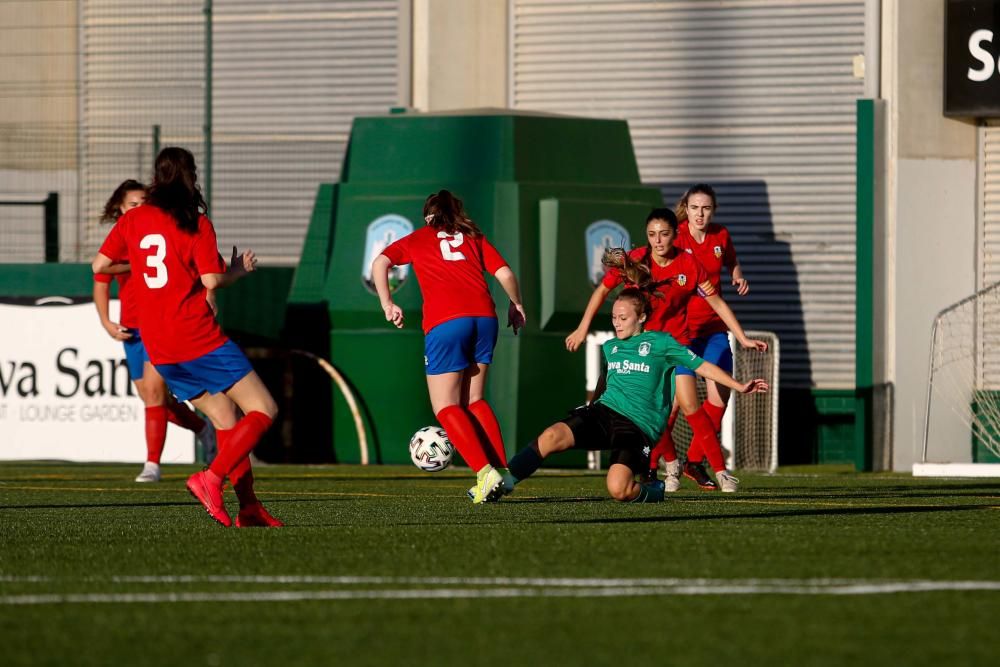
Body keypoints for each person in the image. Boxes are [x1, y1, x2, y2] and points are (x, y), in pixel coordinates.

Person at [93, 147, 280, 528]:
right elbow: (213, 281)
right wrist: (238, 272)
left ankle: (248, 506)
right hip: (196, 334)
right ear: (190, 177)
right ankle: (210, 478)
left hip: (158, 345)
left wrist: (140, 263)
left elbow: (100, 264)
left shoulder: (134, 219)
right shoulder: (194, 222)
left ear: (157, 178)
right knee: (264, 409)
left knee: (226, 418)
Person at [565, 208, 766, 493]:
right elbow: (601, 291)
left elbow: (717, 302)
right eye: (652, 235)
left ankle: (720, 472)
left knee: (689, 404)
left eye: (664, 234)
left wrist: (742, 338)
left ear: (675, 234)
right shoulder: (635, 260)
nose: (658, 240)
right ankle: (671, 463)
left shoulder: (688, 263)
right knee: (652, 412)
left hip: (675, 344)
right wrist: (582, 328)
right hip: (641, 348)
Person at [508, 288, 767, 501]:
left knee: (619, 489)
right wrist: (591, 406)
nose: (617, 324)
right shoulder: (611, 347)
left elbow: (702, 365)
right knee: (551, 436)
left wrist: (739, 385)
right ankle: (504, 482)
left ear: (641, 317)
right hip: (604, 413)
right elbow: (605, 379)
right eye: (614, 318)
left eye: (623, 318)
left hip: (637, 426)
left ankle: (654, 491)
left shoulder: (662, 343)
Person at [371, 190, 526, 504]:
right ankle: (503, 473)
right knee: (475, 399)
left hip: (446, 321)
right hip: (485, 318)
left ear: (428, 216)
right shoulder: (473, 237)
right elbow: (506, 273)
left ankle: (485, 474)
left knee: (446, 406)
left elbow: (380, 262)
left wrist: (388, 303)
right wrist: (516, 304)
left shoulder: (419, 238)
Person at [93, 179, 217, 483]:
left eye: (144, 202)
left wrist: (209, 297)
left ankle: (152, 465)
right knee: (153, 399)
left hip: (159, 324)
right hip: (130, 329)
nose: (139, 208)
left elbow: (199, 269)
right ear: (120, 208)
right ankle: (204, 428)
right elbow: (99, 277)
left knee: (154, 392)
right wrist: (107, 322)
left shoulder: (159, 231)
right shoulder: (122, 238)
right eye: (133, 204)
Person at [663, 183, 751, 487]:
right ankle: (656, 464)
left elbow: (730, 262)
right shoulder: (675, 236)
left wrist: (737, 275)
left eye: (707, 208)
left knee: (719, 397)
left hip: (714, 329)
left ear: (713, 210)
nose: (701, 214)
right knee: (674, 403)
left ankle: (693, 461)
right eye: (695, 208)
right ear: (686, 208)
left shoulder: (721, 235)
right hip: (684, 331)